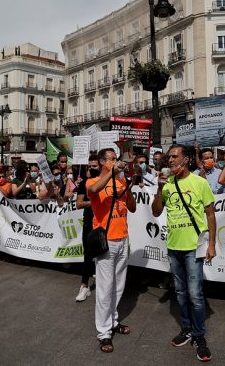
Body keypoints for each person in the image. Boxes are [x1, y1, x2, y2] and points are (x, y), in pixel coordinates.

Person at [152, 144, 217, 362]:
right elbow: (156, 211)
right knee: (180, 293)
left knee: (196, 295)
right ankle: (187, 329)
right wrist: (160, 189)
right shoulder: (167, 183)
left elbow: (210, 215)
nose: (170, 160)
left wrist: (211, 245)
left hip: (194, 247)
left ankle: (199, 336)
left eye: (174, 156)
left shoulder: (200, 183)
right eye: (168, 157)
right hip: (173, 246)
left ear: (186, 159)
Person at [87, 148, 137, 354]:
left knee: (118, 286)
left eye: (116, 159)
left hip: (122, 238)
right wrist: (111, 172)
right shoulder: (93, 181)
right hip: (105, 241)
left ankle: (113, 321)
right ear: (101, 162)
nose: (116, 161)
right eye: (111, 159)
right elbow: (94, 190)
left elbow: (132, 208)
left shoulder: (121, 182)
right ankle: (103, 332)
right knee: (105, 289)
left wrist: (129, 185)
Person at [75, 154, 99, 302]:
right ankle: (84, 286)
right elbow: (79, 203)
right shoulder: (84, 182)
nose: (91, 169)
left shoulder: (108, 182)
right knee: (87, 254)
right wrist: (95, 202)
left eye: (94, 166)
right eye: (89, 166)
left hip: (104, 223)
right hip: (89, 222)